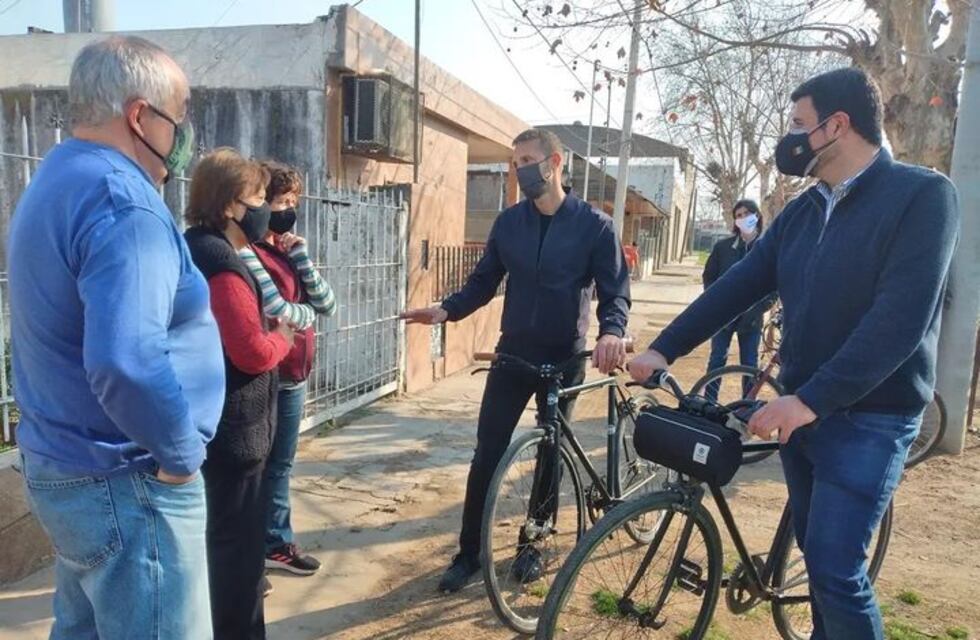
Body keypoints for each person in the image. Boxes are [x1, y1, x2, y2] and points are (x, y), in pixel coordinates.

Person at [629, 68, 959, 640]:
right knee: (812, 546)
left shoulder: (925, 196)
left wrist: (808, 399)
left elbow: (899, 320)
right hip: (802, 413)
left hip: (872, 417)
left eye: (798, 125)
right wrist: (664, 348)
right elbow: (737, 288)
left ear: (837, 126)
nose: (791, 138)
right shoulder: (804, 212)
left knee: (835, 570)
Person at [7, 37, 224, 639]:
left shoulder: (58, 178)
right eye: (178, 118)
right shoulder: (122, 201)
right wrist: (181, 455)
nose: (182, 135)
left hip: (70, 468)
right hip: (129, 481)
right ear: (139, 115)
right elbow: (126, 361)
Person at [401, 128, 631, 593]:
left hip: (564, 357)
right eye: (514, 161)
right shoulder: (509, 224)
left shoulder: (595, 226)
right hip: (514, 355)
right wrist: (447, 309)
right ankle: (469, 554)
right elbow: (484, 282)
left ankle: (534, 544)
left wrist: (612, 332)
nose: (520, 168)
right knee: (487, 452)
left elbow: (614, 293)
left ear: (556, 162)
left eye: (527, 158)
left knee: (550, 452)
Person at [184, 148, 295, 640]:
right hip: (233, 435)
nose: (264, 208)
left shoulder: (194, 246)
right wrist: (282, 340)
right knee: (237, 559)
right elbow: (249, 351)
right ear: (231, 206)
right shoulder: (222, 265)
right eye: (256, 197)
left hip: (208, 428)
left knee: (216, 549)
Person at [238, 161, 336, 580]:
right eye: (279, 202)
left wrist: (303, 258)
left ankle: (275, 544)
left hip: (294, 374)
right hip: (264, 373)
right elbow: (279, 312)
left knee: (280, 466)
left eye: (293, 202)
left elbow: (327, 303)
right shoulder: (248, 251)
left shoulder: (287, 249)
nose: (287, 210)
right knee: (255, 466)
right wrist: (306, 315)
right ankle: (250, 551)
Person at [701, 199, 770, 401]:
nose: (742, 218)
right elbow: (709, 276)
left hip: (752, 320)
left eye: (747, 214)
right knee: (716, 362)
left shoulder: (767, 248)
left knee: (749, 365)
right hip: (723, 318)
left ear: (756, 216)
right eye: (738, 215)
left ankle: (746, 407)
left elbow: (776, 284)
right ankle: (709, 403)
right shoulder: (723, 247)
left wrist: (759, 308)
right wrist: (715, 302)